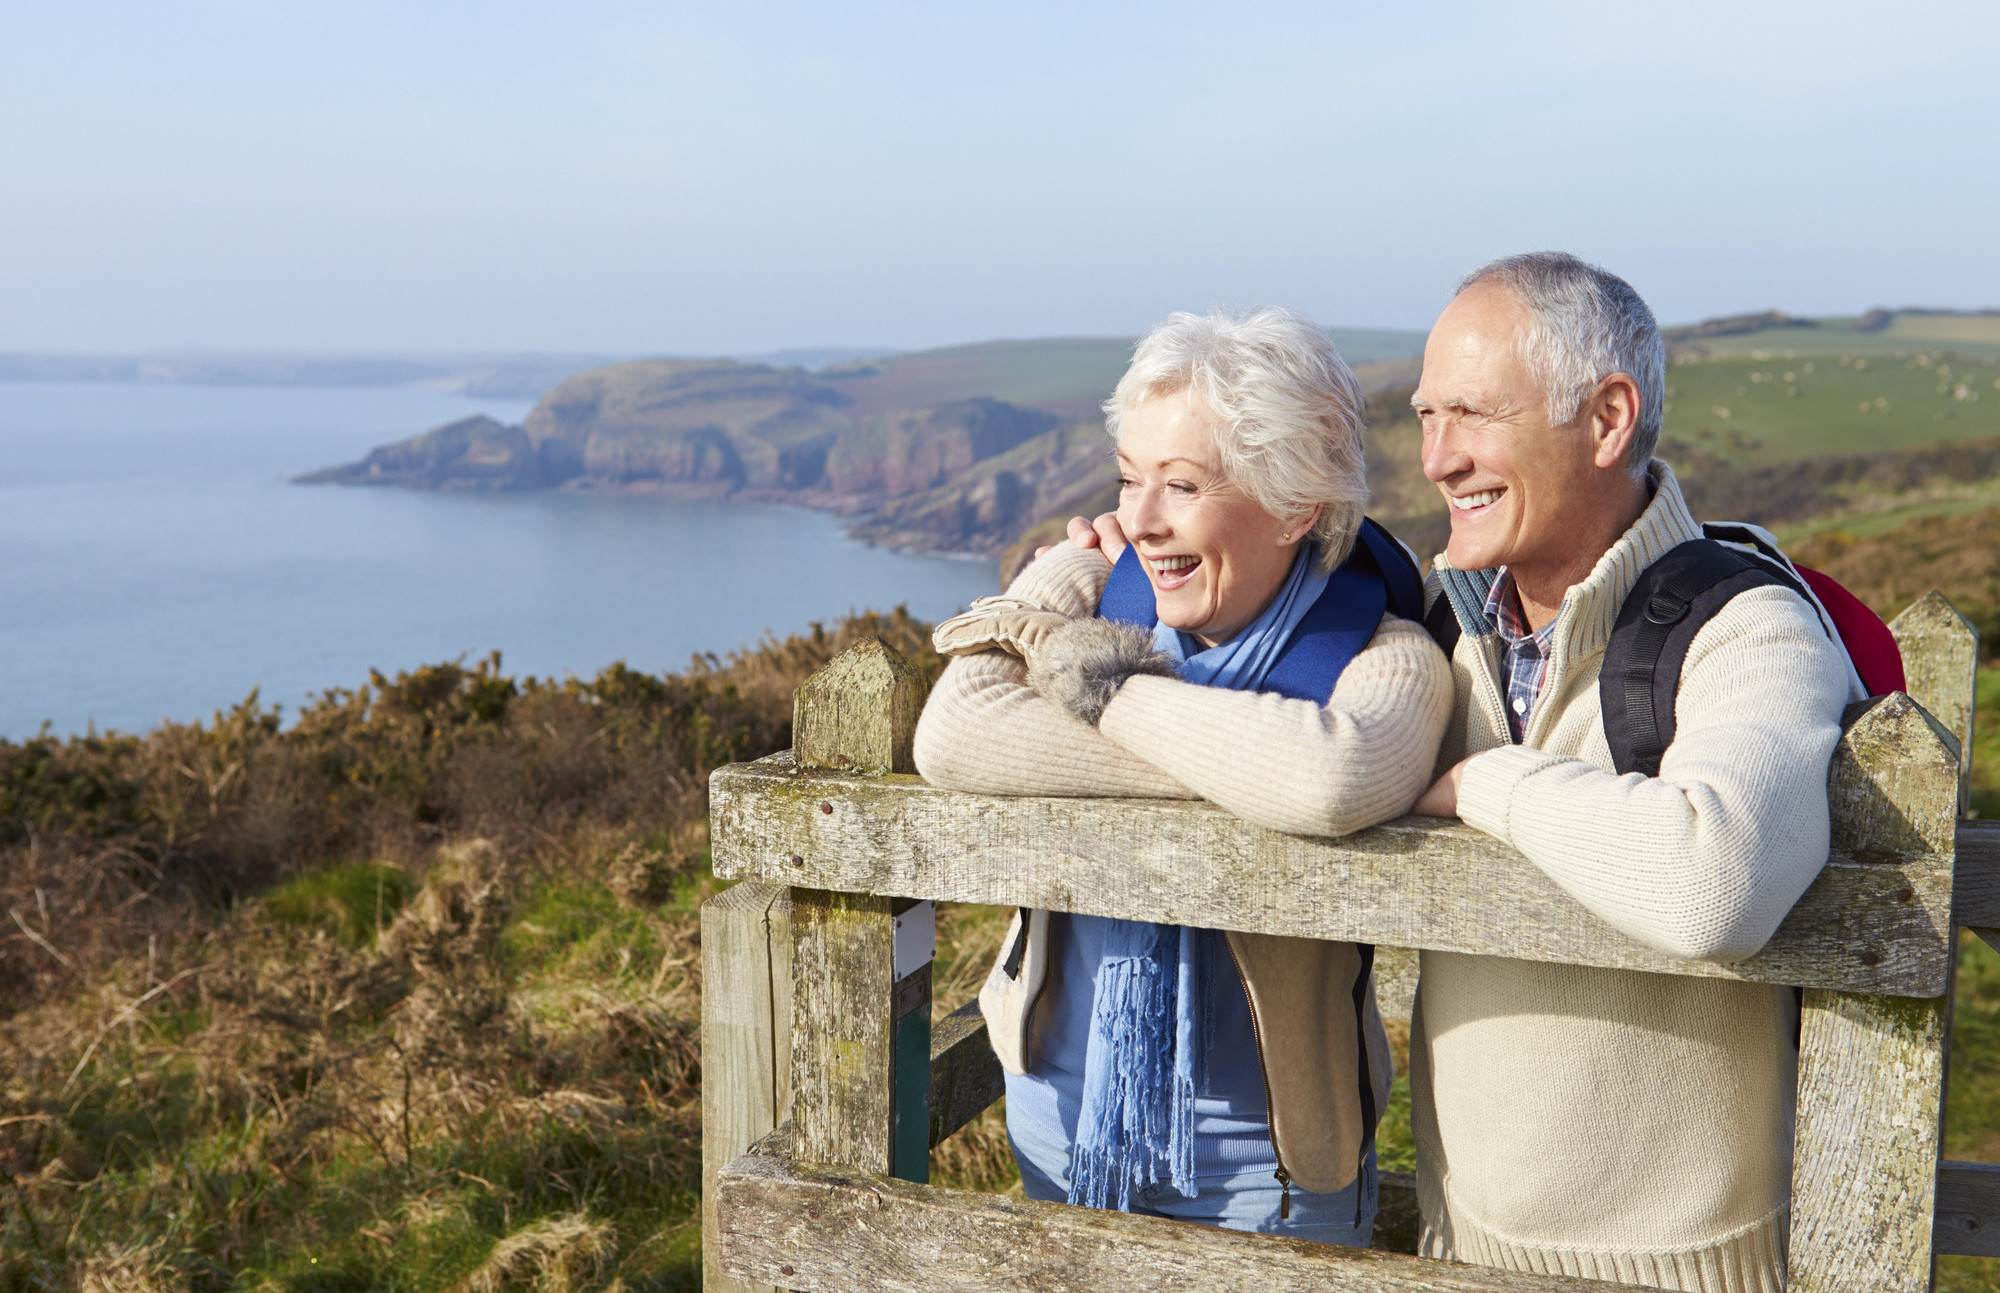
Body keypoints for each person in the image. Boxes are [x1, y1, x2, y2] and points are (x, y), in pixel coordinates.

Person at [914, 306, 1452, 1247]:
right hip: (1058, 1125)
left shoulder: (1384, 652)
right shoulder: (1095, 584)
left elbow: (1329, 777)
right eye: (1129, 479)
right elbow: (954, 735)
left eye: (1185, 485)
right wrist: (1064, 572)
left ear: (1297, 505)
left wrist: (1096, 687)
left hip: (1271, 1175)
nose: (1142, 521)